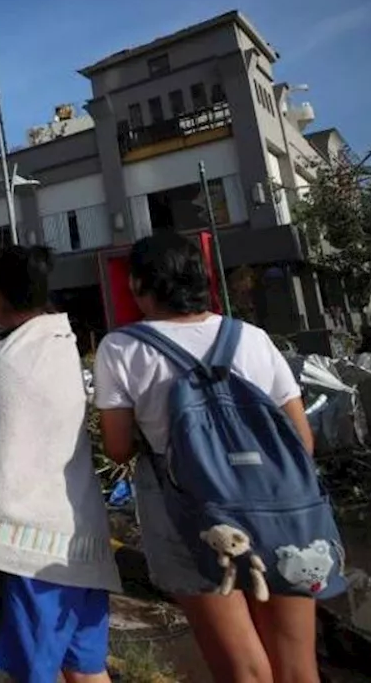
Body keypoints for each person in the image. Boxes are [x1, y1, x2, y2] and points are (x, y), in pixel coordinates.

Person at [92, 232, 319, 683]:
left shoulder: (121, 349)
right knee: (298, 668)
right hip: (282, 511)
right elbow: (301, 439)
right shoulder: (252, 338)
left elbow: (117, 448)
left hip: (191, 517)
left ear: (138, 285)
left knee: (243, 670)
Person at [0, 245, 121, 683]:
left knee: (31, 672)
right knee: (87, 670)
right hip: (83, 543)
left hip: (26, 556)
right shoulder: (61, 343)